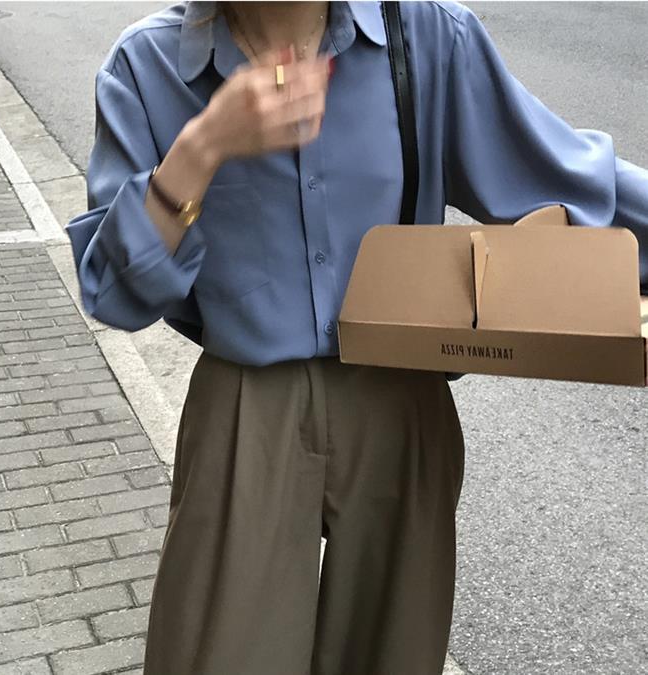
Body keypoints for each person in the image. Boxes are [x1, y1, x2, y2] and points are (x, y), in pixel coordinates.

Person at [65, 1, 648, 673]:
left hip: (400, 397)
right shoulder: (148, 64)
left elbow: (567, 175)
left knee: (392, 653)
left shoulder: (429, 36)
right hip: (245, 412)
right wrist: (201, 150)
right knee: (217, 652)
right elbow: (115, 295)